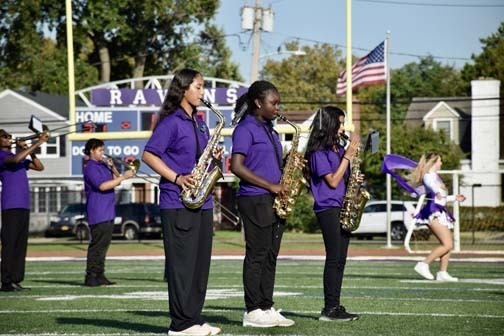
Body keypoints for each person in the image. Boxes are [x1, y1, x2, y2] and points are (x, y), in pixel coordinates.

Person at [142, 68, 222, 336]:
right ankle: (180, 325)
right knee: (182, 268)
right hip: (177, 203)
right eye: (198, 87)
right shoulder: (171, 121)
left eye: (203, 87)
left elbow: (202, 158)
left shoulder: (199, 121)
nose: (202, 92)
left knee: (200, 268)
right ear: (184, 89)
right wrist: (176, 178)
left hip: (202, 202)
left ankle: (193, 320)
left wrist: (216, 156)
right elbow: (149, 156)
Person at [230, 80, 295, 328]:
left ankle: (266, 307)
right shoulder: (246, 128)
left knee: (270, 255)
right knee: (257, 254)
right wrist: (270, 186)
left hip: (272, 198)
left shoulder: (270, 129)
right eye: (273, 103)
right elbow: (236, 167)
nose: (278, 107)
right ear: (258, 103)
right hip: (255, 198)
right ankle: (252, 309)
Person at [303, 106, 360, 322]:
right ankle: (329, 308)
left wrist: (354, 177)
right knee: (333, 258)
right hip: (328, 207)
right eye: (340, 123)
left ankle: (336, 305)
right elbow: (333, 181)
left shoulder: (337, 149)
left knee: (341, 260)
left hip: (342, 205)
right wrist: (348, 157)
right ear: (329, 125)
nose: (342, 128)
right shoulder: (319, 153)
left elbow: (342, 180)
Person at [0, 129, 48, 292]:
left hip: (23, 205)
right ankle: (5, 281)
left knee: (21, 245)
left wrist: (30, 149)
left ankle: (16, 279)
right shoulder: (3, 156)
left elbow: (39, 167)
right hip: (10, 205)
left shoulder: (19, 157)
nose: (8, 139)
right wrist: (38, 143)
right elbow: (15, 159)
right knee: (9, 244)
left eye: (9, 137)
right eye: (4, 137)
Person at [83, 138, 134, 287]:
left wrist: (112, 167)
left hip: (108, 211)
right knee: (97, 246)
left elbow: (116, 180)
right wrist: (124, 176)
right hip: (98, 212)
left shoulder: (103, 165)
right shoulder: (90, 167)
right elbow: (103, 186)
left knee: (103, 246)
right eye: (100, 150)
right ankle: (91, 275)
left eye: (103, 150)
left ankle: (100, 274)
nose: (103, 153)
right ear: (92, 150)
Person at [409, 152, 465, 282]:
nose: (441, 163)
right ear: (433, 162)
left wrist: (454, 198)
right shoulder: (428, 176)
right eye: (439, 161)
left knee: (447, 244)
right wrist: (436, 191)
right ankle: (423, 264)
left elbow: (441, 198)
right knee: (447, 244)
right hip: (433, 212)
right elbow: (431, 186)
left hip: (440, 210)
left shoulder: (436, 176)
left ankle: (442, 272)